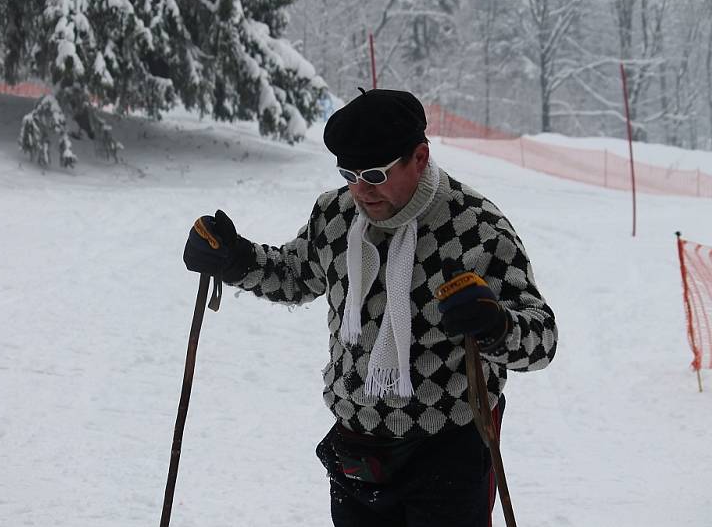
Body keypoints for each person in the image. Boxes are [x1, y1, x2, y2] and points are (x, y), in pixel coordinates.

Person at [183, 88, 557, 527]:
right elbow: (294, 274)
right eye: (348, 173)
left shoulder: (476, 229)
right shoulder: (337, 215)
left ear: (419, 157)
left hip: (448, 448)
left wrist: (497, 325)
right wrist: (235, 259)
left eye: (376, 174)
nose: (360, 190)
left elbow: (542, 337)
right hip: (357, 444)